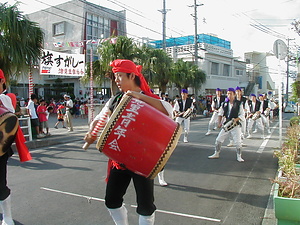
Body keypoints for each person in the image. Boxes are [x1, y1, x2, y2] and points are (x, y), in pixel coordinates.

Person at [84, 59, 173, 225]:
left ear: (131, 75)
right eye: (115, 77)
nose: (116, 80)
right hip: (120, 160)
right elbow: (100, 119)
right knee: (112, 200)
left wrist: (136, 96)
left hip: (142, 161)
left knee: (146, 206)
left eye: (119, 76)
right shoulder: (115, 100)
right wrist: (92, 133)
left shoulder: (147, 98)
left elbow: (169, 111)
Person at [0, 69, 31, 225]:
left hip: (0, 149)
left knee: (0, 185)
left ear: (2, 82)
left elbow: (11, 116)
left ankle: (7, 216)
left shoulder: (7, 99)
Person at [208, 88, 245, 162]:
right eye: (228, 93)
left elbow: (242, 115)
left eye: (230, 93)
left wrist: (236, 119)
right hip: (226, 124)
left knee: (238, 142)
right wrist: (219, 123)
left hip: (235, 125)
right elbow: (220, 114)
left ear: (234, 94)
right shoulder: (224, 103)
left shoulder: (239, 103)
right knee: (218, 140)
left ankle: (239, 156)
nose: (229, 95)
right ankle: (216, 153)